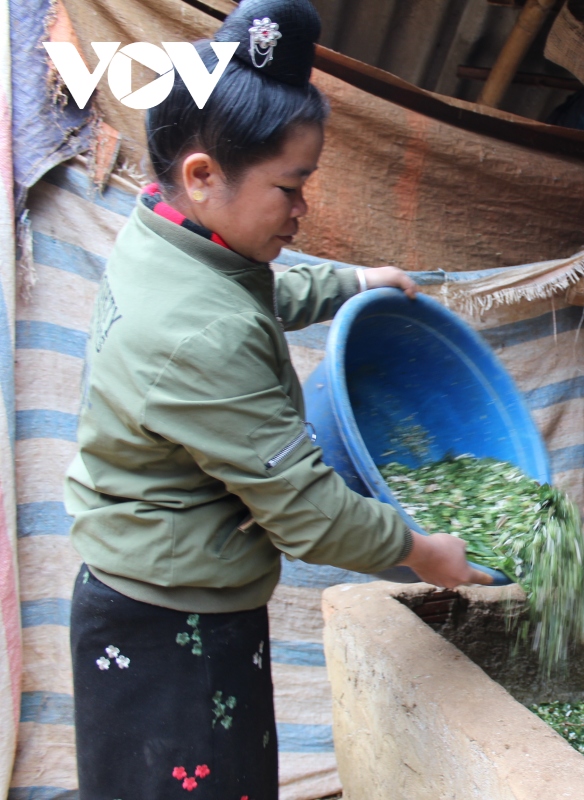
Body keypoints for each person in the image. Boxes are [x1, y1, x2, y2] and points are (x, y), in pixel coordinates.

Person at [65, 1, 486, 796]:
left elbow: (250, 291)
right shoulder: (199, 337)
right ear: (202, 175)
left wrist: (353, 282)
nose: (302, 211)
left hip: (157, 585)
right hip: (170, 631)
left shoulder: (166, 231)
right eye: (291, 188)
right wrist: (422, 551)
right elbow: (304, 511)